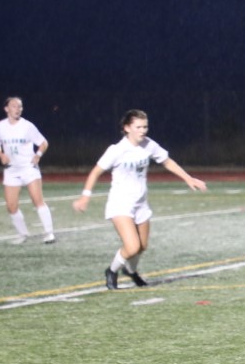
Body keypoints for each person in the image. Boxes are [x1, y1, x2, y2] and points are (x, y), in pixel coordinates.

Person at [72, 109, 208, 289]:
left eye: (145, 126)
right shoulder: (117, 150)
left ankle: (130, 271)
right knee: (132, 247)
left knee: (142, 246)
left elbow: (167, 161)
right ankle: (111, 271)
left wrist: (189, 178)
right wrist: (85, 197)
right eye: (138, 127)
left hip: (141, 203)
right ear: (127, 128)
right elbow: (96, 172)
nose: (143, 130)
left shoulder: (149, 145)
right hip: (120, 204)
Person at [0, 96, 55, 244]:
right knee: (11, 206)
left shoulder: (27, 126)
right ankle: (23, 234)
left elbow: (43, 143)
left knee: (37, 200)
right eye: (14, 106)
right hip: (11, 170)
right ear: (6, 109)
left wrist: (38, 155)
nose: (17, 109)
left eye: (20, 106)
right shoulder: (1, 126)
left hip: (28, 168)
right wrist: (1, 155)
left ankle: (49, 233)